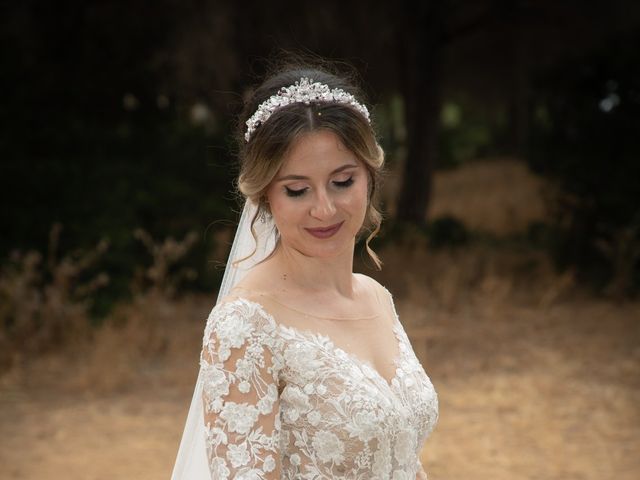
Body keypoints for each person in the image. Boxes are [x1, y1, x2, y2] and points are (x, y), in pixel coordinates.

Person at [171, 60, 438, 480]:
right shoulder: (246, 324)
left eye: (342, 181)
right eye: (297, 190)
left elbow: (401, 457)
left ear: (369, 175)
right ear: (264, 197)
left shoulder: (376, 296)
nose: (324, 209)